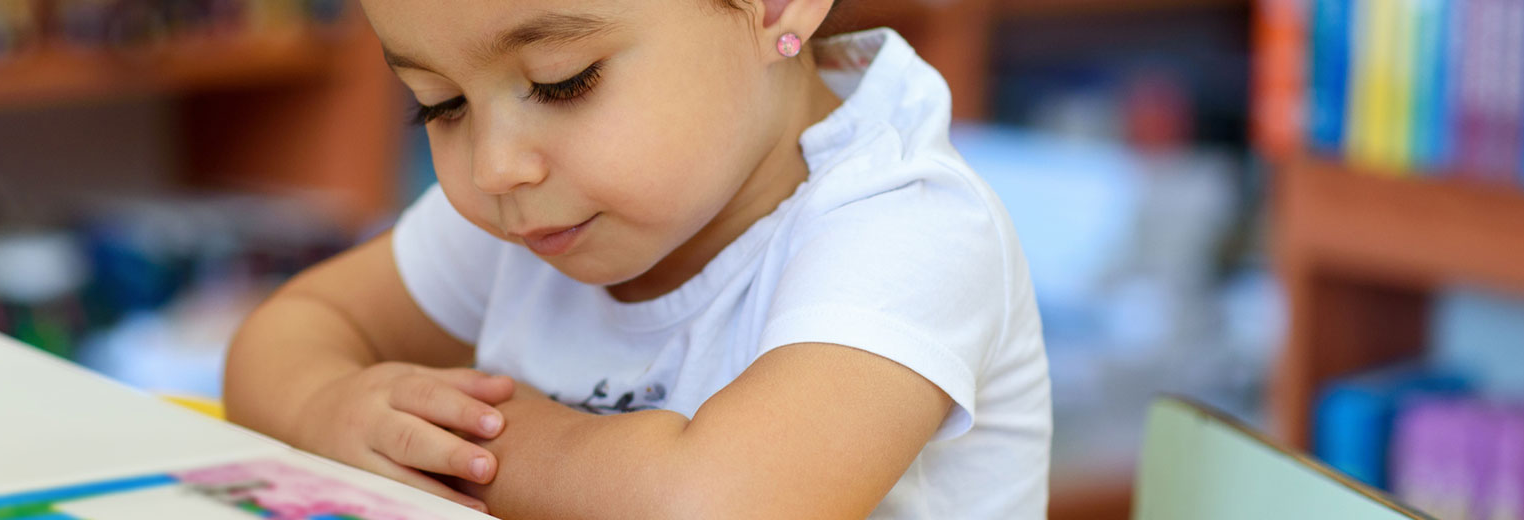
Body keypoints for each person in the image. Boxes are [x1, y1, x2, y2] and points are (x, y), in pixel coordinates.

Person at [224, 0, 1051, 517]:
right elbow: (294, 328)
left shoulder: (908, 223)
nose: (494, 167)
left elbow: (721, 505)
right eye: (438, 107)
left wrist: (456, 441)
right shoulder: (536, 209)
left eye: (563, 82)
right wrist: (328, 411)